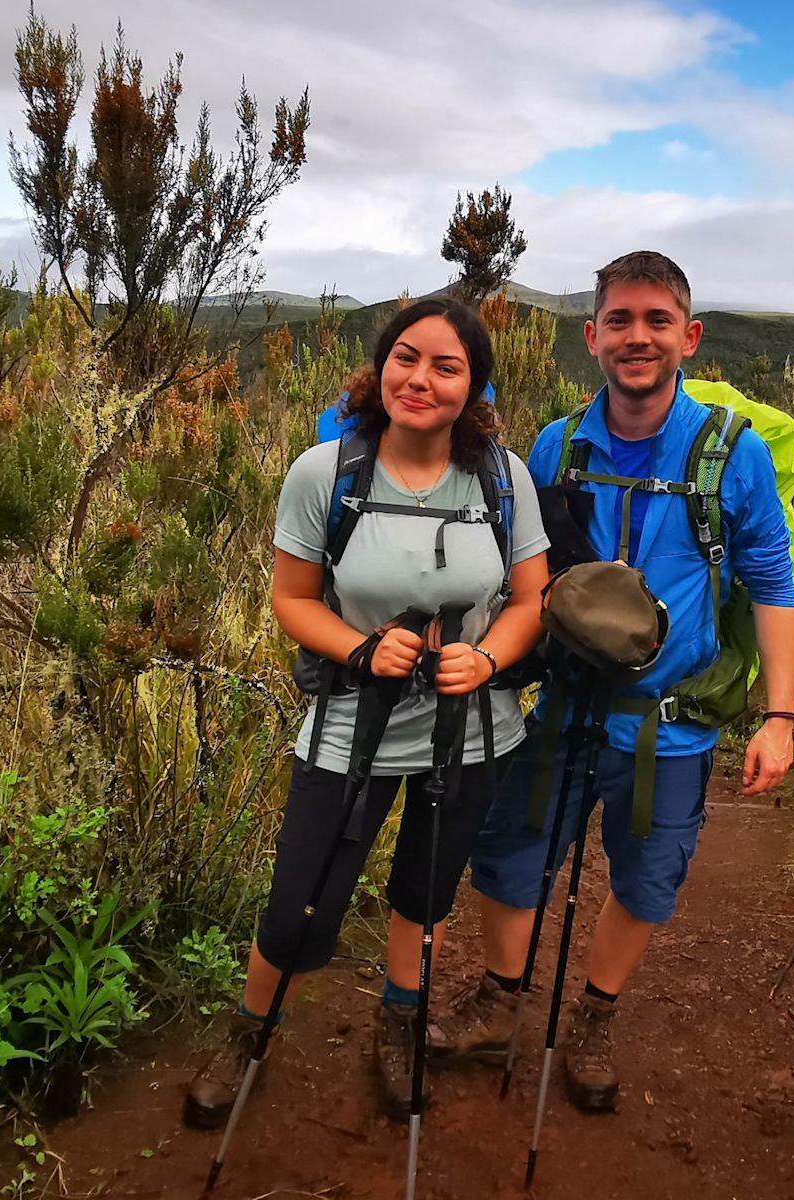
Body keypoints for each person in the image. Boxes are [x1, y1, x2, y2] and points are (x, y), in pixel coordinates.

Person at [433, 251, 794, 1111]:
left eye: (657, 321)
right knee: (509, 854)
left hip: (669, 727)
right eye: (622, 321)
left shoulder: (731, 457)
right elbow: (526, 575)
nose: (639, 338)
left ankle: (595, 1014)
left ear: (690, 338)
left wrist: (779, 714)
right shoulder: (559, 446)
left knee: (646, 878)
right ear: (592, 336)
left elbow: (775, 583)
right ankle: (500, 1000)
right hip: (564, 707)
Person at [184, 298, 550, 1129]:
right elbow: (292, 598)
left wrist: (488, 657)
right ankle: (252, 1030)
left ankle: (400, 1018)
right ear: (380, 365)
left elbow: (532, 598)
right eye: (406, 358)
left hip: (472, 726)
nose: (420, 379)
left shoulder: (502, 475)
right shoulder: (327, 471)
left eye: (446, 366)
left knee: (425, 891)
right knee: (299, 893)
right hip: (353, 721)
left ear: (475, 385)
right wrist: (358, 648)